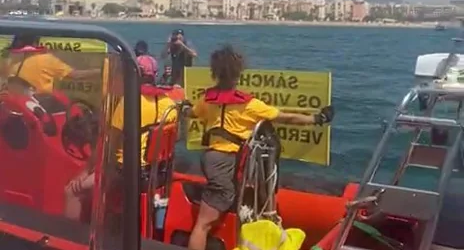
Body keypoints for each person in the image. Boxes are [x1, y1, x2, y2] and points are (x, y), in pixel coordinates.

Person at [183, 45, 335, 250]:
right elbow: (286, 117)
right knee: (203, 223)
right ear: (238, 74)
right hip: (228, 162)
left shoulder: (207, 100)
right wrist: (317, 118)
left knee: (210, 218)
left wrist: (183, 107)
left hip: (211, 158)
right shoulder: (249, 105)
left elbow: (192, 113)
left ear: (215, 73)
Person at [64, 55, 178, 220]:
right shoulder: (169, 103)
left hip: (126, 171)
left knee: (72, 191)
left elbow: (108, 145)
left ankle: (70, 239)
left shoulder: (129, 102)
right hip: (156, 171)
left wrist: (85, 171)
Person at [2, 35, 101, 93]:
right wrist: (100, 71)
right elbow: (76, 75)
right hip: (38, 105)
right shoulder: (46, 60)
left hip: (15, 104)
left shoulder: (11, 61)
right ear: (36, 44)